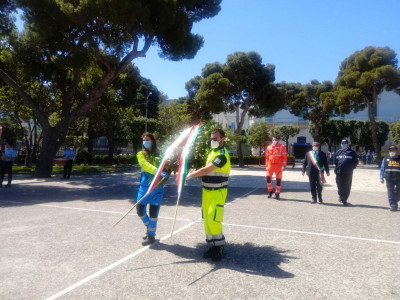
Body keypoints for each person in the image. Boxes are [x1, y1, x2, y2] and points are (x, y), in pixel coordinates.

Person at [186, 129, 231, 261]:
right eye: (211, 138)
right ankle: (212, 245)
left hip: (218, 192)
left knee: (214, 218)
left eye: (215, 139)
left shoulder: (222, 155)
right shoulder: (212, 153)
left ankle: (220, 246)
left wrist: (190, 175)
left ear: (222, 139)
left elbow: (206, 170)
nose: (212, 141)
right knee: (206, 219)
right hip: (207, 191)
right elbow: (206, 172)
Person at [136, 132, 168, 246]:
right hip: (144, 187)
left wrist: (167, 171)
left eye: (147, 139)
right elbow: (144, 165)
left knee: (153, 213)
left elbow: (166, 165)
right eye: (144, 140)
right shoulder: (140, 154)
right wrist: (158, 171)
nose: (145, 142)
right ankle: (150, 229)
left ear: (152, 141)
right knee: (140, 210)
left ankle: (151, 236)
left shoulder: (159, 154)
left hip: (158, 187)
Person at [334, 139, 358, 205]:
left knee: (347, 186)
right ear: (340, 144)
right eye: (342, 143)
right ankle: (341, 196)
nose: (343, 144)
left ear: (347, 144)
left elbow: (355, 162)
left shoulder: (352, 152)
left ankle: (344, 199)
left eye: (345, 143)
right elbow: (336, 162)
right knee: (339, 185)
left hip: (348, 173)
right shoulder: (338, 152)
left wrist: (351, 168)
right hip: (339, 172)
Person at [380, 146, 400, 212]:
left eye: (393, 150)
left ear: (396, 151)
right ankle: (393, 206)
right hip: (389, 178)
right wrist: (381, 177)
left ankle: (395, 200)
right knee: (390, 192)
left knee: (398, 192)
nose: (391, 152)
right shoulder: (385, 159)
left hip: (398, 178)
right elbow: (382, 168)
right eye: (390, 150)